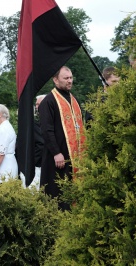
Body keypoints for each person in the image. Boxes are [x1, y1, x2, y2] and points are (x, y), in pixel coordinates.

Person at [38, 66, 85, 210]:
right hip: (58, 158)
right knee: (58, 193)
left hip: (76, 157)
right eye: (66, 78)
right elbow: (47, 130)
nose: (70, 81)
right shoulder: (49, 101)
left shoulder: (73, 99)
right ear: (55, 80)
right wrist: (56, 152)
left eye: (71, 78)